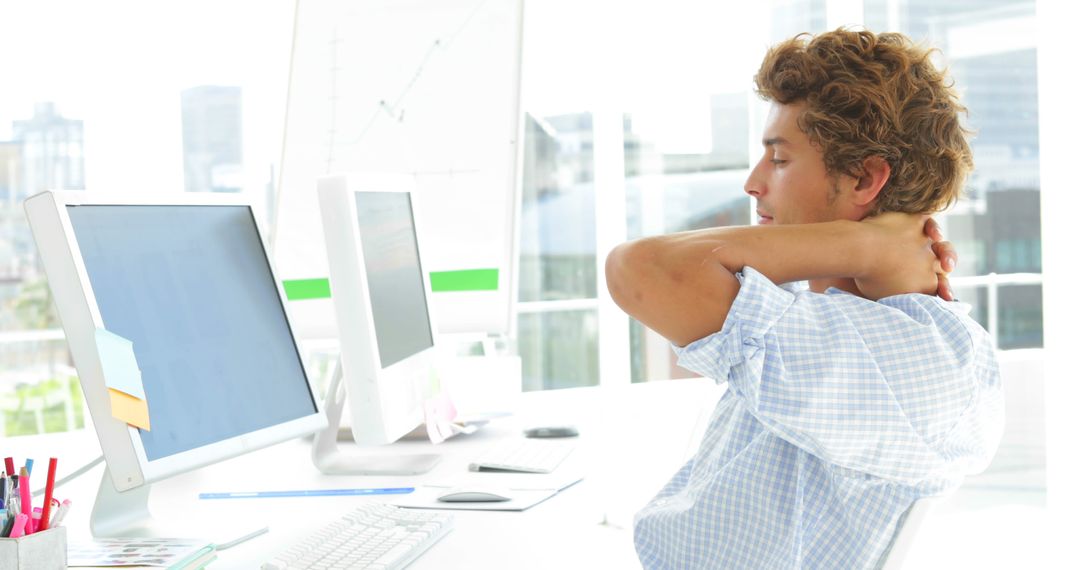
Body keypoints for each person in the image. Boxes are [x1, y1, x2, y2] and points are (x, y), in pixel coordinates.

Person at [606, 28, 1004, 569]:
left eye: (779, 160)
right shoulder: (821, 317)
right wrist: (876, 251)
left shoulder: (913, 352)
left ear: (865, 178)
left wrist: (868, 245)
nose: (752, 183)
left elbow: (642, 269)